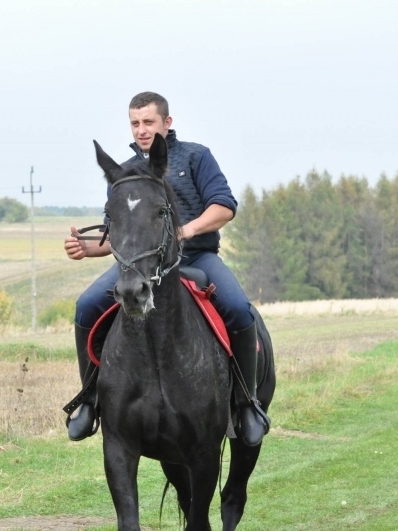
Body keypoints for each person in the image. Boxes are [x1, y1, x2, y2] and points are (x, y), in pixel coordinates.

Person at [63, 91, 270, 446]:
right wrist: (87, 248)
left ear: (166, 123)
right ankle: (89, 399)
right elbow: (122, 235)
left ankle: (246, 403)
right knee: (86, 306)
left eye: (149, 122)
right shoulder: (125, 174)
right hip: (142, 266)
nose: (141, 130)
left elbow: (224, 206)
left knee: (239, 309)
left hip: (197, 258)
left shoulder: (196, 157)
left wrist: (186, 230)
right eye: (135, 123)